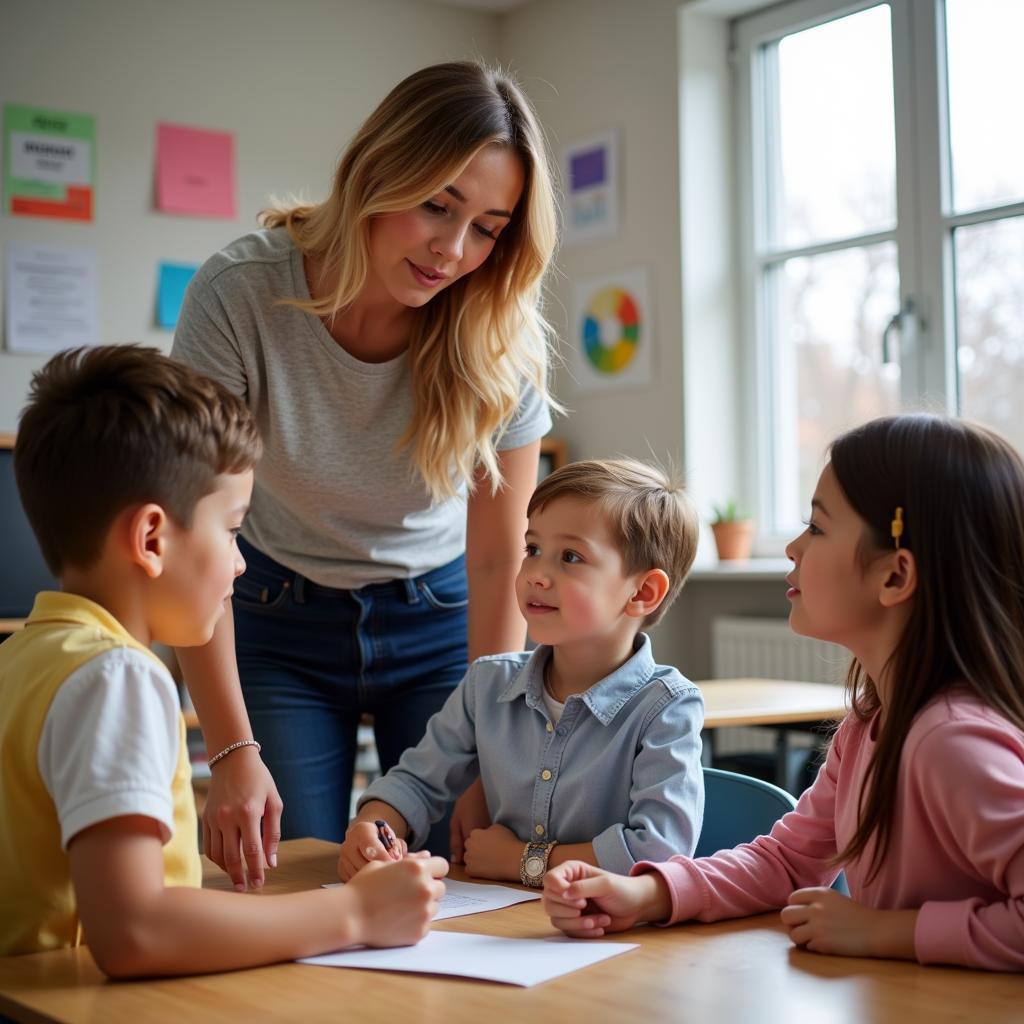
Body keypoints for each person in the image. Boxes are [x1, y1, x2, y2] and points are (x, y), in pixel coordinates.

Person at [171, 60, 559, 885]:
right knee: (285, 872)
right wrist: (230, 751)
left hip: (441, 622)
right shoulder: (238, 295)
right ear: (377, 173)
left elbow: (498, 559)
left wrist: (491, 753)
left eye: (488, 227)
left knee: (451, 874)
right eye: (437, 205)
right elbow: (192, 531)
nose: (454, 251)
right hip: (278, 617)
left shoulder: (501, 336)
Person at [0, 346, 447, 974]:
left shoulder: (23, 656)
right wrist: (356, 914)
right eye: (233, 528)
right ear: (152, 539)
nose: (240, 562)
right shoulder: (116, 677)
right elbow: (132, 930)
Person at [543, 415, 1024, 972]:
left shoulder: (951, 741)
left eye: (816, 528)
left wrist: (886, 932)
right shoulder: (871, 724)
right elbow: (788, 860)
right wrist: (649, 894)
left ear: (894, 576)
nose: (793, 547)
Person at [337, 459, 705, 886]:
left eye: (570, 556)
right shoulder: (486, 683)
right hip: (502, 929)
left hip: (608, 938)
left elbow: (659, 850)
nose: (536, 574)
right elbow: (417, 783)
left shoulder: (667, 707)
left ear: (642, 592)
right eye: (532, 549)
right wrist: (372, 826)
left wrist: (522, 860)